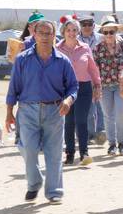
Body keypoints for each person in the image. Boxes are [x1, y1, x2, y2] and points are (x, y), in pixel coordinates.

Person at [4, 19, 77, 202]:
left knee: (54, 153)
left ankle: (54, 192)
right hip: (27, 111)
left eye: (49, 33)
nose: (45, 37)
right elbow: (13, 88)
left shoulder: (63, 61)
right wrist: (8, 113)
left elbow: (73, 87)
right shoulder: (22, 60)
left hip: (55, 111)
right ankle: (34, 183)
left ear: (54, 36)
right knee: (28, 149)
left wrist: (68, 100)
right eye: (41, 33)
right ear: (34, 35)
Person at [56, 20, 101, 166]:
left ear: (78, 32)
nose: (71, 33)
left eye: (74, 30)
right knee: (69, 122)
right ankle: (69, 153)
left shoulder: (85, 48)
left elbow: (93, 69)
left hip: (84, 88)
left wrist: (97, 85)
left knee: (81, 120)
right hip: (65, 89)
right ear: (63, 31)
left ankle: (84, 153)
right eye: (68, 30)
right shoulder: (57, 48)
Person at [94, 16, 123, 155]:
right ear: (103, 33)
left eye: (111, 32)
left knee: (121, 113)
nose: (108, 35)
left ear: (116, 31)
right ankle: (112, 144)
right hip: (104, 85)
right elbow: (94, 68)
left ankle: (121, 143)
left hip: (121, 85)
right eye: (106, 32)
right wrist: (96, 86)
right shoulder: (97, 48)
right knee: (108, 115)